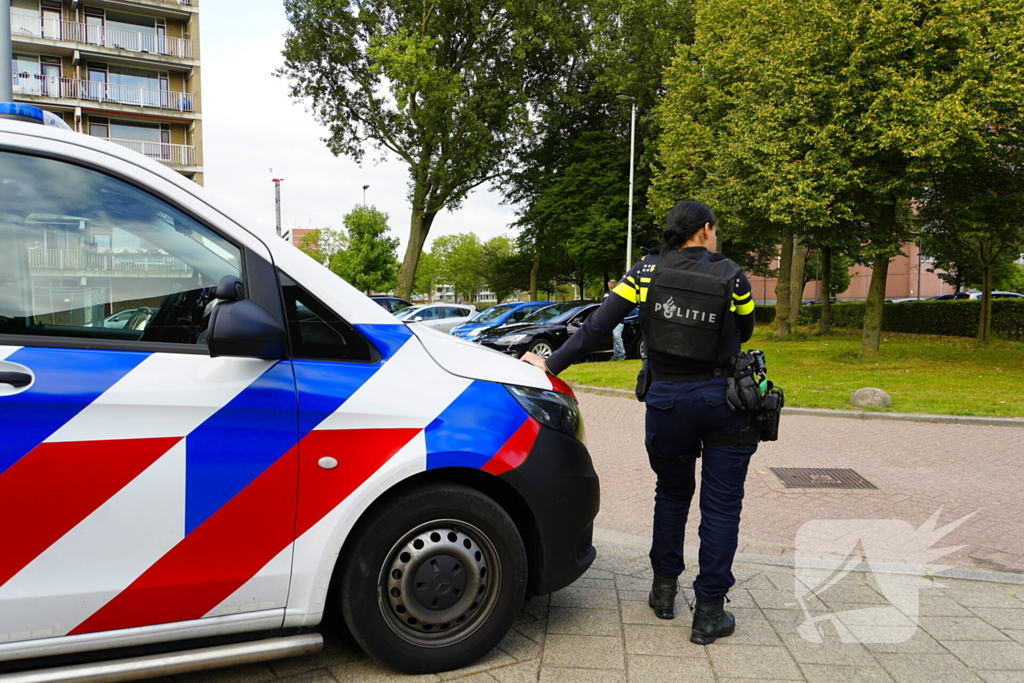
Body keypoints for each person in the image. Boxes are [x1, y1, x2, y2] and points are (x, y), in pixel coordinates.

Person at [521, 200, 757, 645]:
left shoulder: (644, 272)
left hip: (666, 401)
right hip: (722, 401)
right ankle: (709, 612)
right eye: (716, 228)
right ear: (705, 230)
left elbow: (596, 327)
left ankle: (663, 591)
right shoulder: (732, 275)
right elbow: (746, 330)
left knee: (671, 493)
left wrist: (550, 365)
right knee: (722, 506)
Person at [605, 279, 626, 361]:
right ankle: (616, 355)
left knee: (617, 336)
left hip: (618, 319)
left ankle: (621, 354)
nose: (611, 288)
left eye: (612, 286)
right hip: (612, 319)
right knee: (615, 337)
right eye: (610, 286)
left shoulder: (619, 295)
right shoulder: (607, 295)